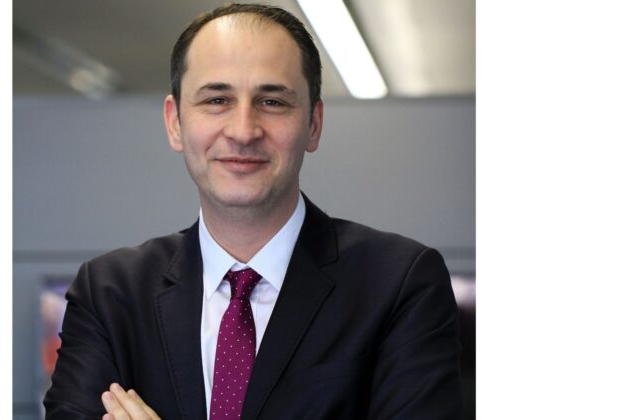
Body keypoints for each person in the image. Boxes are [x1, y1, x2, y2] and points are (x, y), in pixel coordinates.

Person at [44, 3, 462, 419]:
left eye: (272, 102)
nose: (243, 131)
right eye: (217, 99)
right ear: (175, 122)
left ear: (313, 124)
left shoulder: (399, 284)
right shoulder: (109, 294)